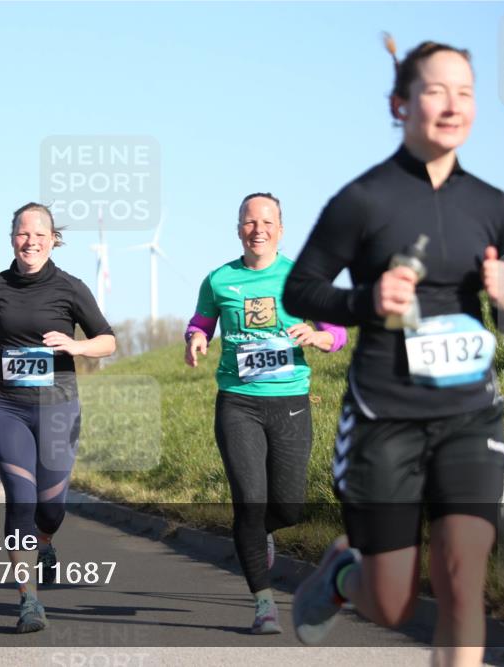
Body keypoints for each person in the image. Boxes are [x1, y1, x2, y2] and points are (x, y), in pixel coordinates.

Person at [284, 36, 504, 665]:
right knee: (391, 605)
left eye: (467, 93)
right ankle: (344, 573)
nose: (454, 106)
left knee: (460, 577)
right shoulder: (362, 201)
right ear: (399, 104)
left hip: (470, 418)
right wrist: (367, 301)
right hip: (383, 419)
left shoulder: (496, 208)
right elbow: (300, 290)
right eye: (436, 91)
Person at [185, 192, 347, 635]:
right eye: (249, 222)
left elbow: (338, 332)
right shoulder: (219, 280)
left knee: (289, 507)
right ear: (238, 227)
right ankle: (263, 604)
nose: (258, 229)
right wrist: (195, 338)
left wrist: (317, 337)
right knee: (249, 503)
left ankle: (261, 534)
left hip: (290, 401)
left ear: (281, 228)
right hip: (237, 401)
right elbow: (201, 321)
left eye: (267, 222)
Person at [0, 202, 116, 634]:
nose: (30, 241)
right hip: (9, 407)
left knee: (49, 507)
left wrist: (75, 348)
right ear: (11, 236)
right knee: (21, 500)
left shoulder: (70, 288)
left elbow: (107, 341)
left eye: (39, 234)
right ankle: (28, 600)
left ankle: (46, 541)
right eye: (22, 233)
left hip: (58, 407)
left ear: (53, 239)